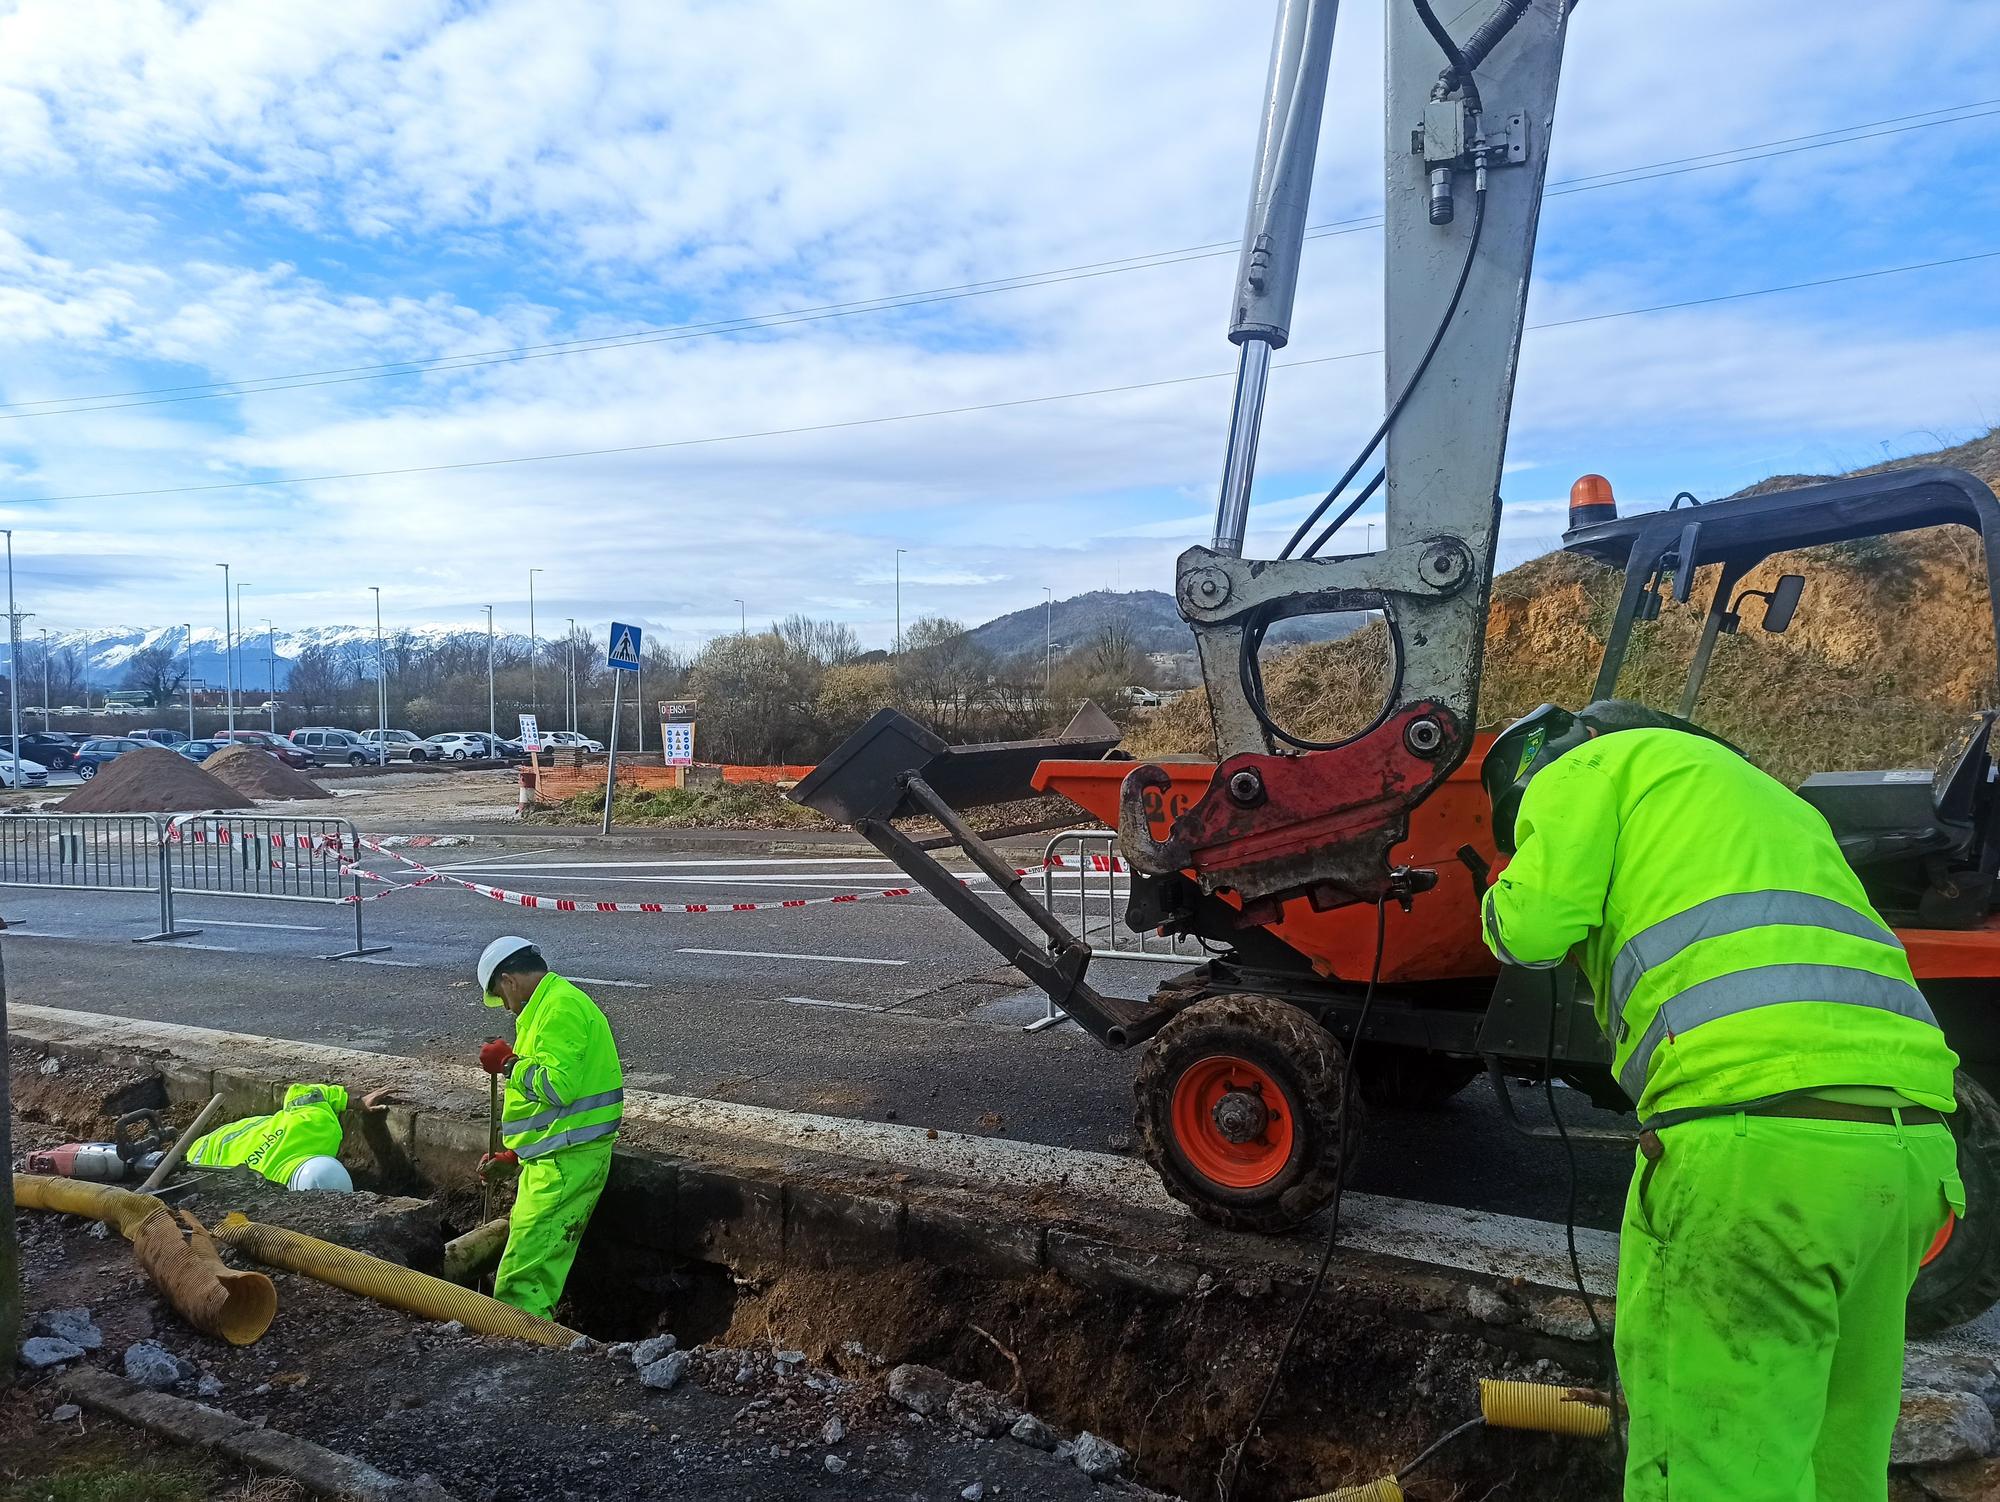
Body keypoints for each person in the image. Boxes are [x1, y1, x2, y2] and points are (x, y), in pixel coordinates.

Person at [1479, 699, 1963, 1502]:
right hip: (1911, 1154)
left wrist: (1500, 891)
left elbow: (1532, 929)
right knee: (1841, 1452)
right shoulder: (1773, 798)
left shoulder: (1585, 769)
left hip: (1753, 1156)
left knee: (1716, 1467)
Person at [476, 935, 624, 1320]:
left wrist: (509, 1064)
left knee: (523, 1277)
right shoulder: (548, 1006)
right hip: (555, 1156)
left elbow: (558, 1087)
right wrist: (516, 1153)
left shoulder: (559, 1009)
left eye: (501, 996)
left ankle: (520, 1349)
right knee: (530, 1265)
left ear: (509, 980)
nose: (506, 1007)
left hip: (564, 1163)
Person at [184, 1081, 391, 1191]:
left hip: (216, 1147)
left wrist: (355, 1101)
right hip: (198, 1157)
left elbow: (303, 1094)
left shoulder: (319, 1129)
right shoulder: (262, 1184)